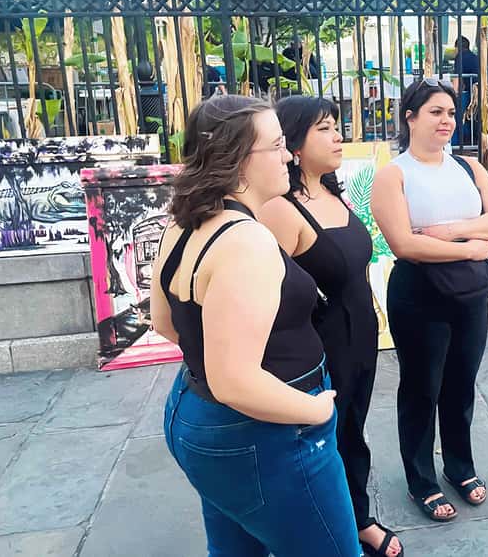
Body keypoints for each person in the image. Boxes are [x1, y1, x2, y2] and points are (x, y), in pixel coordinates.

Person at [150, 95, 362, 557]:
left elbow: (164, 321)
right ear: (240, 159)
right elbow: (234, 381)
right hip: (265, 432)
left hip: (197, 412)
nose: (289, 156)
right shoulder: (246, 242)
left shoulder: (183, 222)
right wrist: (316, 411)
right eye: (278, 145)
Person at [258, 96, 403, 557]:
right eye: (324, 128)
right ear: (294, 144)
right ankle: (328, 527)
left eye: (336, 126)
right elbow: (272, 294)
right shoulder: (281, 209)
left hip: (361, 334)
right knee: (325, 439)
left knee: (353, 430)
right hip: (323, 342)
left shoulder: (332, 193)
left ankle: (356, 518)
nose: (338, 137)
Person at [371, 78, 488, 522]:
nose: (446, 120)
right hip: (419, 295)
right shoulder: (394, 174)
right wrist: (469, 247)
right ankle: (421, 480)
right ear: (410, 118)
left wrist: (448, 232)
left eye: (450, 112)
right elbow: (404, 244)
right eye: (435, 112)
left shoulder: (470, 168)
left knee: (461, 383)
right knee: (421, 388)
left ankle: (459, 466)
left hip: (470, 294)